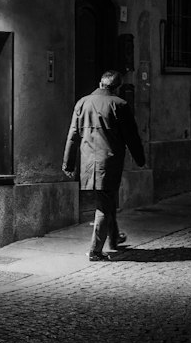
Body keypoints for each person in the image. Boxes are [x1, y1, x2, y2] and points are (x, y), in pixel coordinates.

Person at [62, 70, 145, 261]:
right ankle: (95, 250)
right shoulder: (120, 105)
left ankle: (114, 238)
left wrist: (68, 163)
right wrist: (140, 159)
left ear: (100, 83)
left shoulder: (82, 103)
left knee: (106, 201)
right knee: (105, 204)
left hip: (88, 163)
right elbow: (131, 136)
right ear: (116, 87)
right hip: (109, 162)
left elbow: (72, 136)